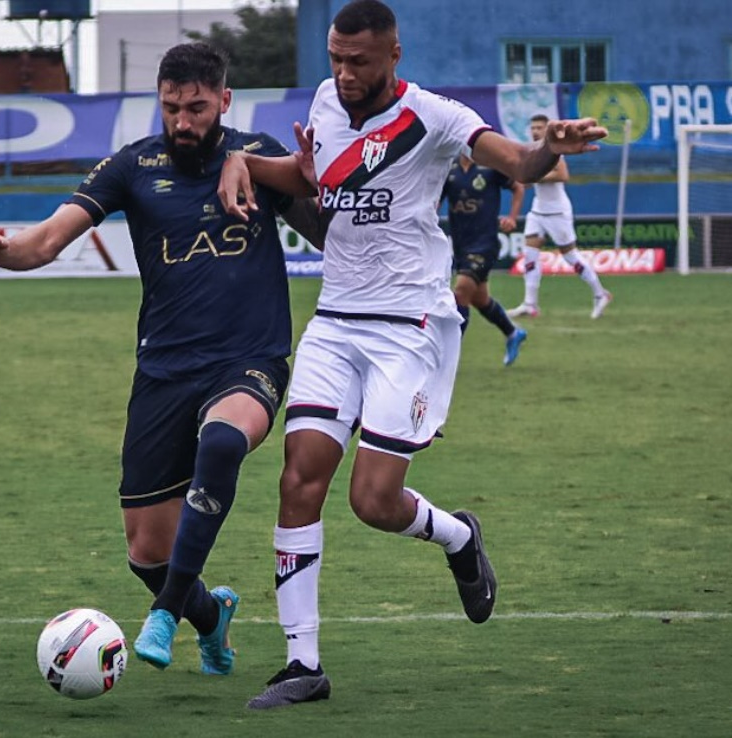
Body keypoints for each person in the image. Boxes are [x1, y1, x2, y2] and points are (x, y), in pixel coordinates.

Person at [217, 0, 606, 709]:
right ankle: (301, 663)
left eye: (358, 61)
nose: (343, 73)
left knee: (372, 500)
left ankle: (458, 536)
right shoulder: (327, 101)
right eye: (335, 58)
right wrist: (245, 161)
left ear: (393, 54)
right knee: (298, 478)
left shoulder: (436, 116)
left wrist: (552, 145)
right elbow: (315, 182)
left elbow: (518, 158)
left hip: (408, 326)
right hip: (334, 321)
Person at [0, 42, 321, 676]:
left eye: (198, 108)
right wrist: (2, 251)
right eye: (172, 107)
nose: (183, 122)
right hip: (163, 372)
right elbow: (45, 241)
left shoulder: (260, 158)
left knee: (223, 441)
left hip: (248, 359)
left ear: (225, 101)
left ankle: (166, 615)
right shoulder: (131, 167)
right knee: (146, 552)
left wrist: (316, 185)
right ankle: (211, 617)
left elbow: (330, 235)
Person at [506, 113, 612, 320]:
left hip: (557, 212)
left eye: (539, 128)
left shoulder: (555, 151)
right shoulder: (532, 151)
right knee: (530, 255)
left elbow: (562, 175)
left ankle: (600, 294)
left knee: (570, 256)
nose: (535, 131)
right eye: (533, 127)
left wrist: (535, 176)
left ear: (547, 130)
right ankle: (530, 304)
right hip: (538, 210)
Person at [440, 153, 528, 365]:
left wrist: (512, 218)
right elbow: (435, 201)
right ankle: (513, 333)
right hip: (460, 244)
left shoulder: (490, 166)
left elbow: (518, 187)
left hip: (485, 243)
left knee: (461, 292)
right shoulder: (448, 169)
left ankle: (446, 358)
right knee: (479, 299)